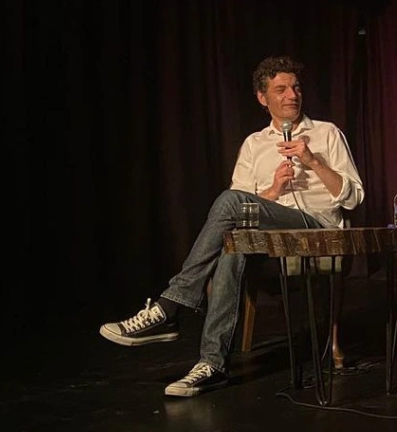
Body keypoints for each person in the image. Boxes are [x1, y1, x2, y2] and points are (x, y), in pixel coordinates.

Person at [100, 55, 365, 397]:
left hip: (316, 229)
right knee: (232, 247)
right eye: (281, 89)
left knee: (229, 202)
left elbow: (354, 197)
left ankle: (170, 306)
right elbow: (239, 208)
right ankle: (212, 364)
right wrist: (272, 192)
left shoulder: (326, 133)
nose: (292, 95)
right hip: (267, 235)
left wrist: (312, 161)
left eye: (296, 87)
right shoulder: (254, 144)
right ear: (262, 97)